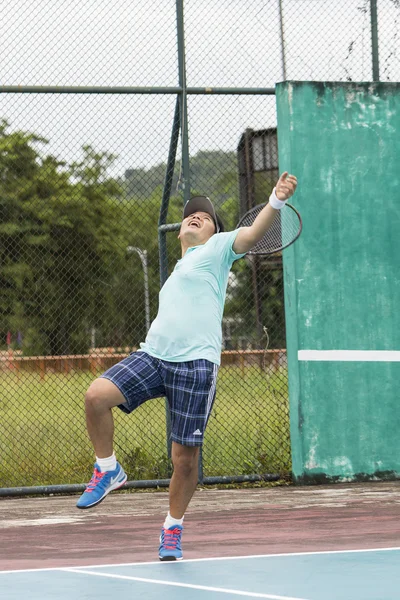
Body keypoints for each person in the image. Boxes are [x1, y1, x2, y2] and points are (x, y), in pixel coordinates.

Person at [76, 171, 298, 561]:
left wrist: (275, 200)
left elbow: (251, 233)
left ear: (216, 232)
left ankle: (172, 529)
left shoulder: (218, 250)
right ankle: (108, 469)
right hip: (154, 357)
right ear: (179, 232)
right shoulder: (178, 270)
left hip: (196, 366)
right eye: (190, 215)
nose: (195, 217)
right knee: (96, 395)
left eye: (205, 216)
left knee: (184, 459)